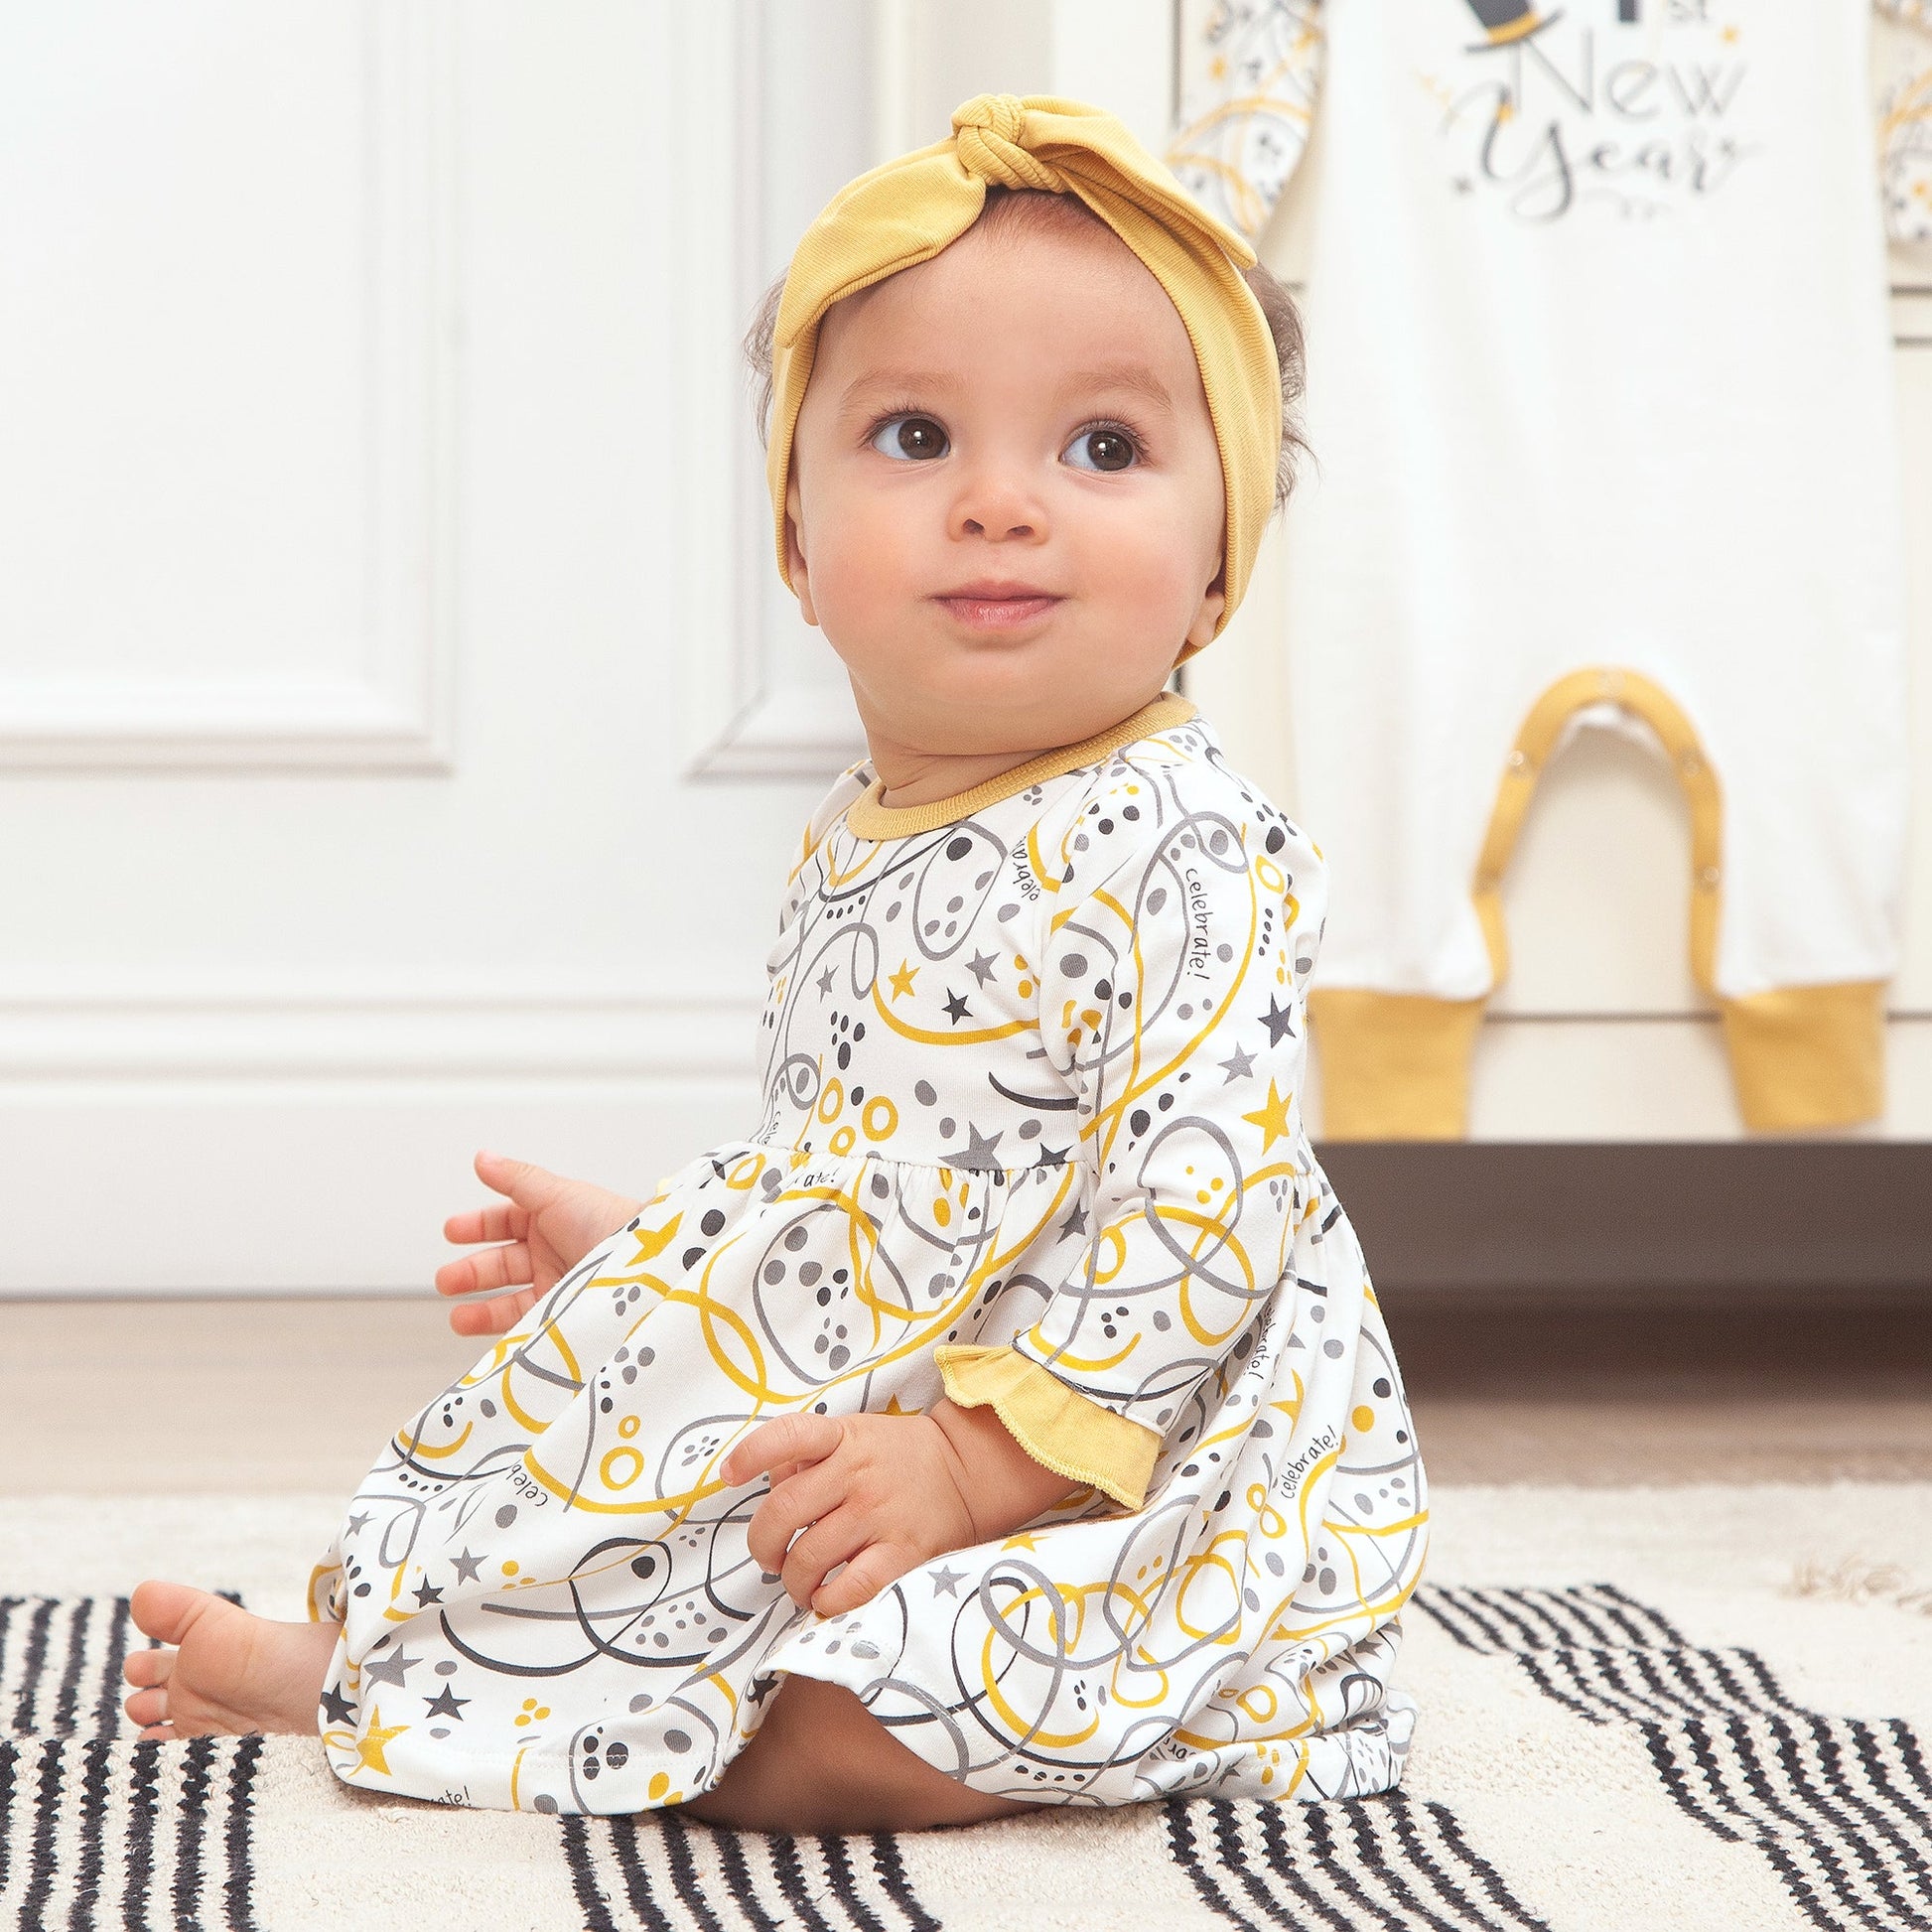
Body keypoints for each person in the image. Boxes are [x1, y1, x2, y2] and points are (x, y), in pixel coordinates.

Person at [121, 92, 1430, 1834]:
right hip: (913, 1390)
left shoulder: (1183, 850)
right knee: (617, 1470)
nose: (997, 505)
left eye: (1100, 450)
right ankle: (374, 1665)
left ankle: (565, 1717)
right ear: (801, 546)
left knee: (858, 1722)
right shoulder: (852, 834)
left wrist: (979, 1465)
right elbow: (871, 1167)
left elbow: (1204, 1216)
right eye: (912, 435)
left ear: (1216, 567)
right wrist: (665, 1252)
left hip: (1147, 1452)